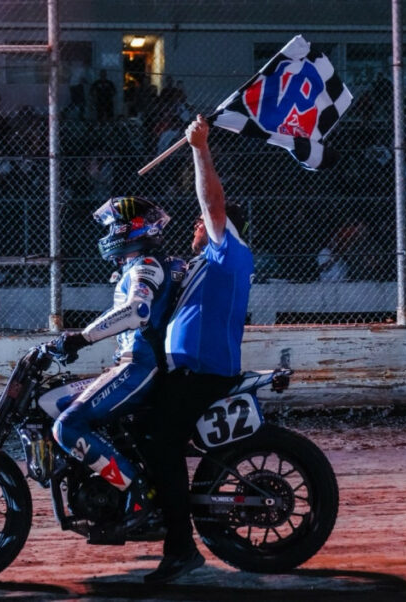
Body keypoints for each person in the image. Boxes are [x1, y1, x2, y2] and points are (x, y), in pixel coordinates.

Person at [142, 114, 254, 584]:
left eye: (204, 224)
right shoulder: (196, 267)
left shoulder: (229, 253)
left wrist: (199, 148)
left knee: (159, 440)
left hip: (203, 373)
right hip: (179, 371)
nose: (196, 226)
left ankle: (180, 546)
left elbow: (211, 202)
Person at [46, 195, 185, 534]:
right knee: (62, 402)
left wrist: (82, 337)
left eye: (111, 226)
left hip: (140, 365)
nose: (107, 233)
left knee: (67, 426)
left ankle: (138, 491)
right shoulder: (141, 264)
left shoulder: (146, 264)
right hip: (132, 364)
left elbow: (138, 309)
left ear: (128, 229)